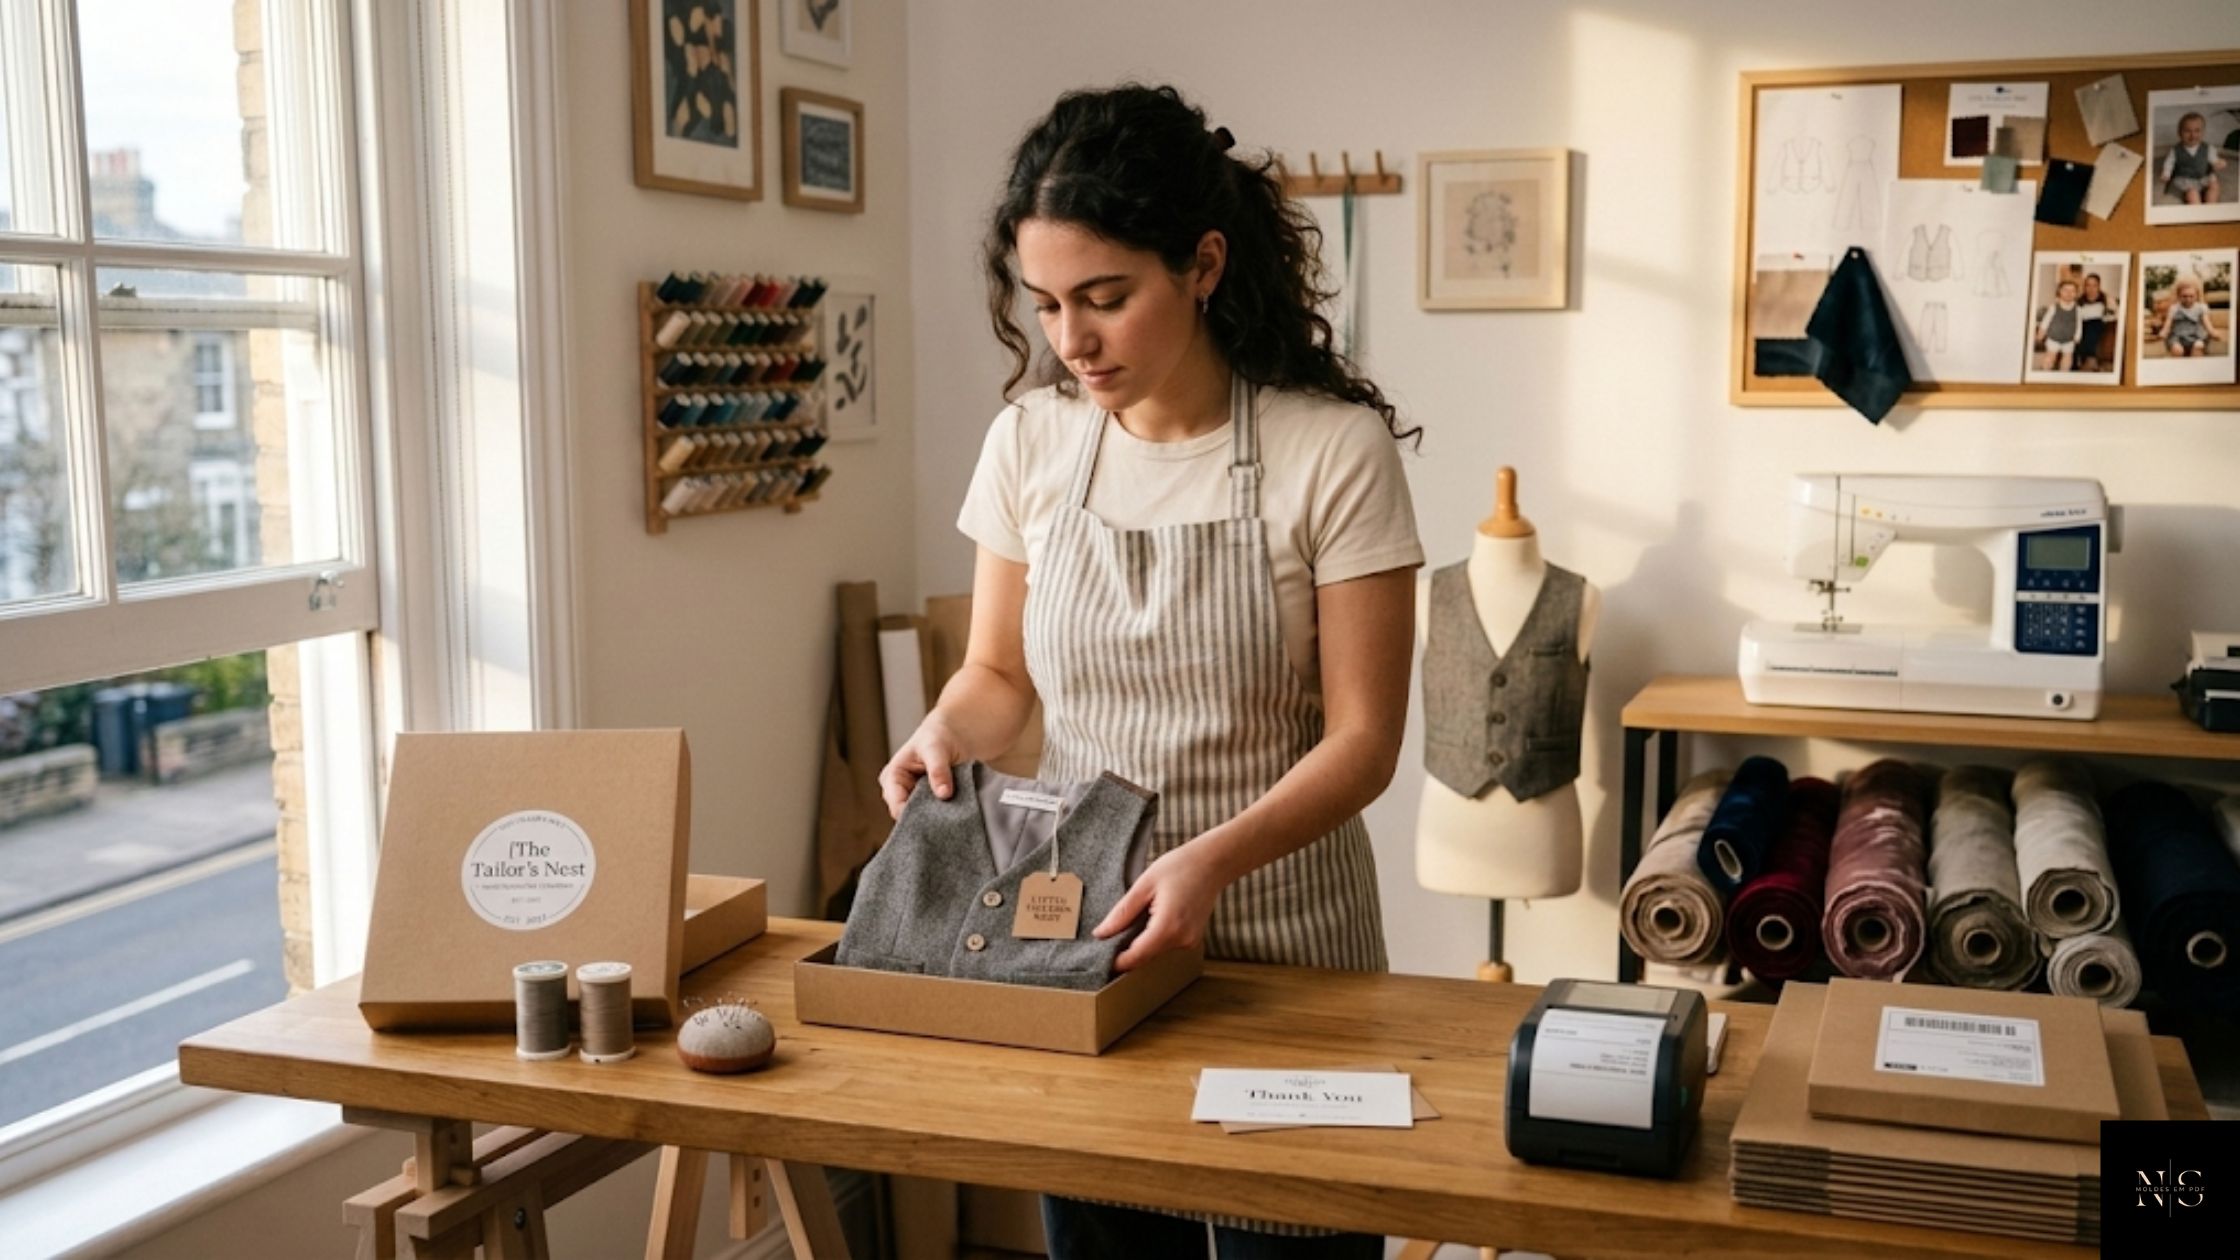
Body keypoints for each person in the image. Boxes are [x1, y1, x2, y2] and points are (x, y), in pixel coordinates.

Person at [879, 83, 1423, 1258]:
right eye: (1044, 305)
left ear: (1204, 264)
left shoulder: (1329, 452)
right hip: (1088, 943)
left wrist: (1209, 861)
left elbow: (1363, 742)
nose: (1069, 341)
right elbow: (996, 675)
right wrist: (942, 733)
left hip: (1287, 957)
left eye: (1105, 299)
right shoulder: (1029, 441)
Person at [2160, 111, 2226, 205]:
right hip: (2187, 179)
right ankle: (2197, 209)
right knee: (2192, 193)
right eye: (2187, 131)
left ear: (2203, 132)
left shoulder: (2208, 148)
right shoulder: (2175, 150)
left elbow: (2213, 159)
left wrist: (2218, 163)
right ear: (2179, 133)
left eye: (2197, 131)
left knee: (2214, 186)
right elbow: (2169, 163)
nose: (2193, 135)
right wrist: (2166, 173)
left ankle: (2211, 205)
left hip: (2204, 176)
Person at [2153, 277, 2213, 357]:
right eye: (2184, 296)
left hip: (2197, 335)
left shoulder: (2201, 307)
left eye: (2191, 296)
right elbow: (2168, 323)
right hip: (2178, 337)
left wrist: (2212, 332)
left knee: (2198, 346)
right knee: (2177, 349)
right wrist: (2164, 331)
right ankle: (2178, 365)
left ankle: (2196, 365)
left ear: (2197, 295)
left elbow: (2207, 323)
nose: (2188, 299)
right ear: (2179, 296)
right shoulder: (2174, 308)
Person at [2034, 278, 2081, 371]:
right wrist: (2041, 333)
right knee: (2050, 357)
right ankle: (2045, 370)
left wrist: (2077, 336)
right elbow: (2045, 321)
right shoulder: (2054, 307)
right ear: (2059, 292)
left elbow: (2079, 324)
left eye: (2072, 291)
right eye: (2066, 290)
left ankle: (2063, 373)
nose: (2069, 293)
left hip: (2069, 340)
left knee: (2067, 359)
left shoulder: (2078, 309)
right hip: (2053, 338)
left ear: (2076, 294)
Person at [2074, 272, 2115, 372]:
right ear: (2085, 287)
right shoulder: (2080, 301)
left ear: (2099, 286)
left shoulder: (2105, 298)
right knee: (2083, 328)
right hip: (2083, 325)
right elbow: (2076, 317)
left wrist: (2106, 317)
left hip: (2099, 324)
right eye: (2088, 285)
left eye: (2094, 285)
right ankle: (2082, 361)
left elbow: (2115, 314)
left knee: (2093, 325)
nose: (2091, 288)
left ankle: (2090, 359)